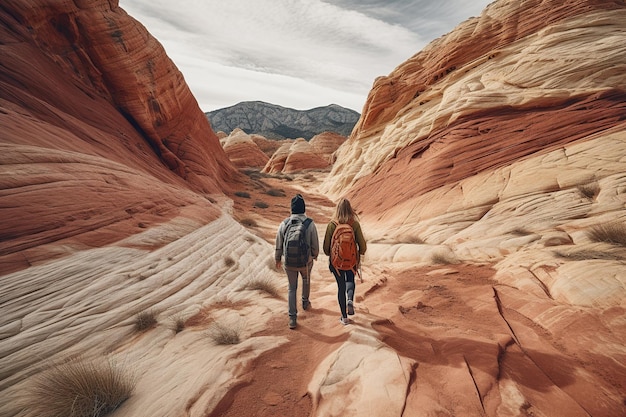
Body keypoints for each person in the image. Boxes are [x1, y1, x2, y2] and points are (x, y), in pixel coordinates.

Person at [275, 194, 319, 329]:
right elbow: (315, 244)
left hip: (289, 263)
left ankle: (292, 318)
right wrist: (314, 255)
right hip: (305, 262)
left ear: (291, 209)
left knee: (291, 288)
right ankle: (305, 302)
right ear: (304, 208)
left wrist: (278, 258)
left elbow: (279, 243)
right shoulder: (310, 223)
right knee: (306, 280)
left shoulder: (284, 223)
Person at [323, 198, 367, 325]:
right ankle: (350, 300)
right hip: (352, 261)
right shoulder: (354, 224)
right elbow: (362, 246)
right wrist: (359, 254)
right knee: (350, 281)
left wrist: (333, 255)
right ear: (350, 209)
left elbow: (326, 248)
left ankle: (344, 317)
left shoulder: (332, 224)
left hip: (336, 263)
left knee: (340, 287)